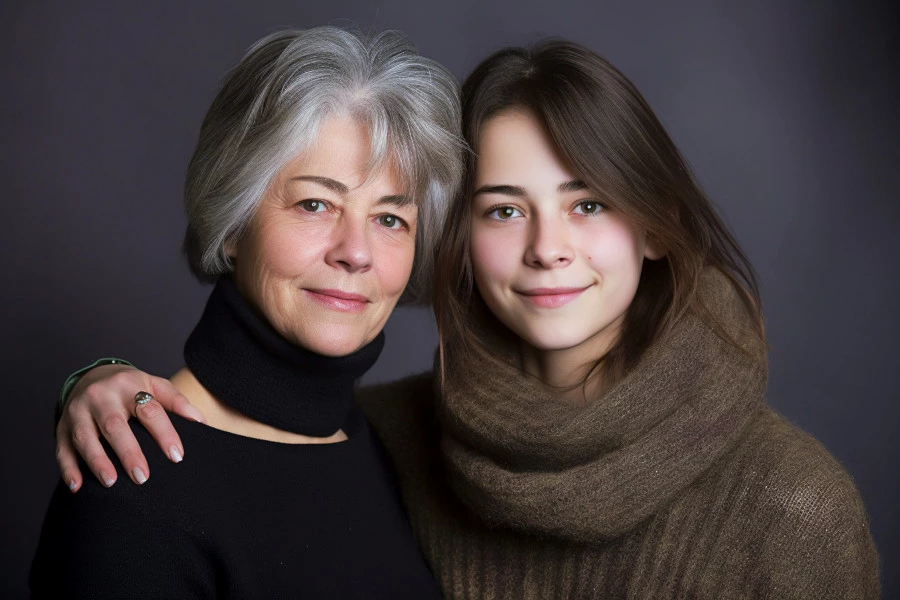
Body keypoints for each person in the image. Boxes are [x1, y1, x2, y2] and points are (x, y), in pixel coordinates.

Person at [50, 40, 880, 598]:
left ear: (657, 224)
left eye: (588, 202)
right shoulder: (395, 440)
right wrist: (94, 385)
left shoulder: (792, 505)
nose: (549, 248)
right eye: (504, 209)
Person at [30, 26, 463, 598]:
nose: (355, 252)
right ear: (234, 223)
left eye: (390, 219)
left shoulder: (394, 448)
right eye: (315, 203)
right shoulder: (134, 487)